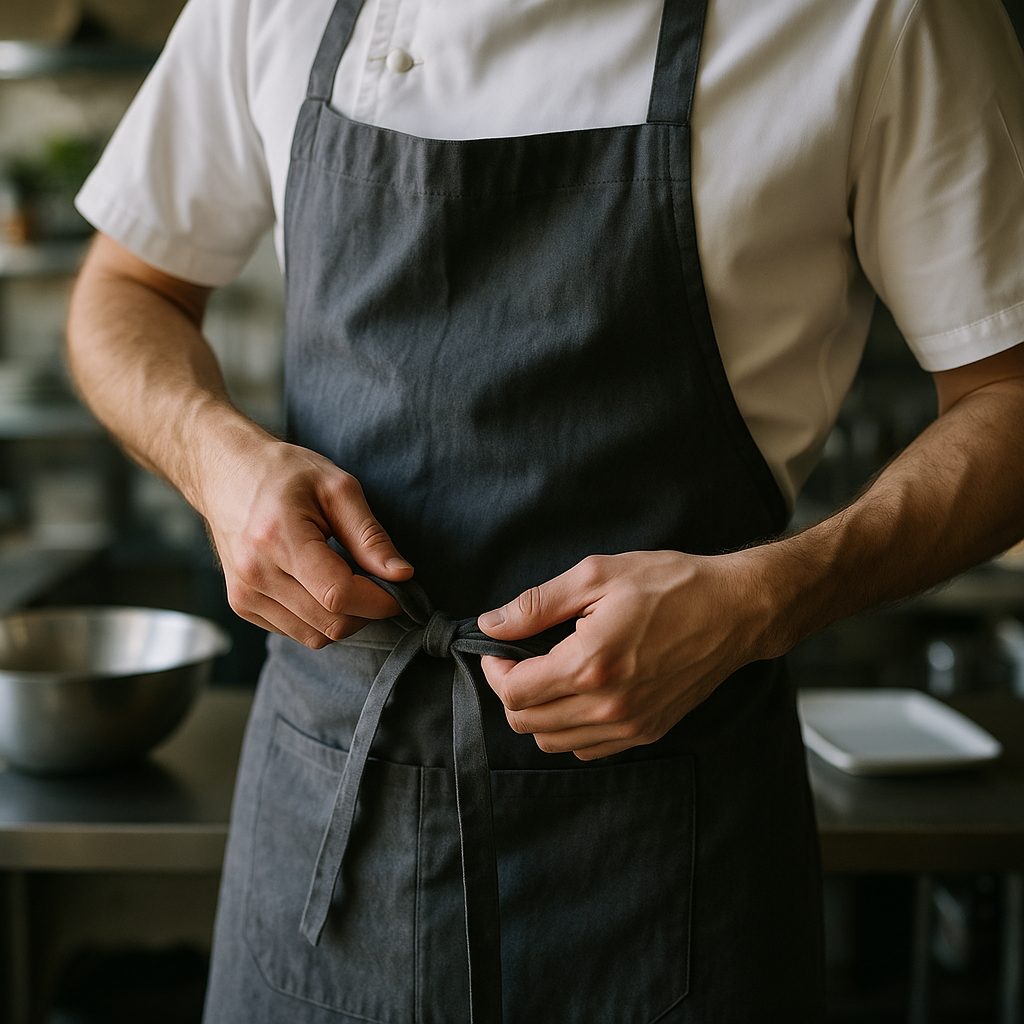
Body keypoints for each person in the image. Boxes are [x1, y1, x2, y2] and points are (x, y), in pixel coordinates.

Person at [67, 0, 1024, 1020]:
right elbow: (128, 289)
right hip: (326, 833)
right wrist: (220, 461)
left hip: (672, 863)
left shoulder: (888, 16)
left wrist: (765, 596)